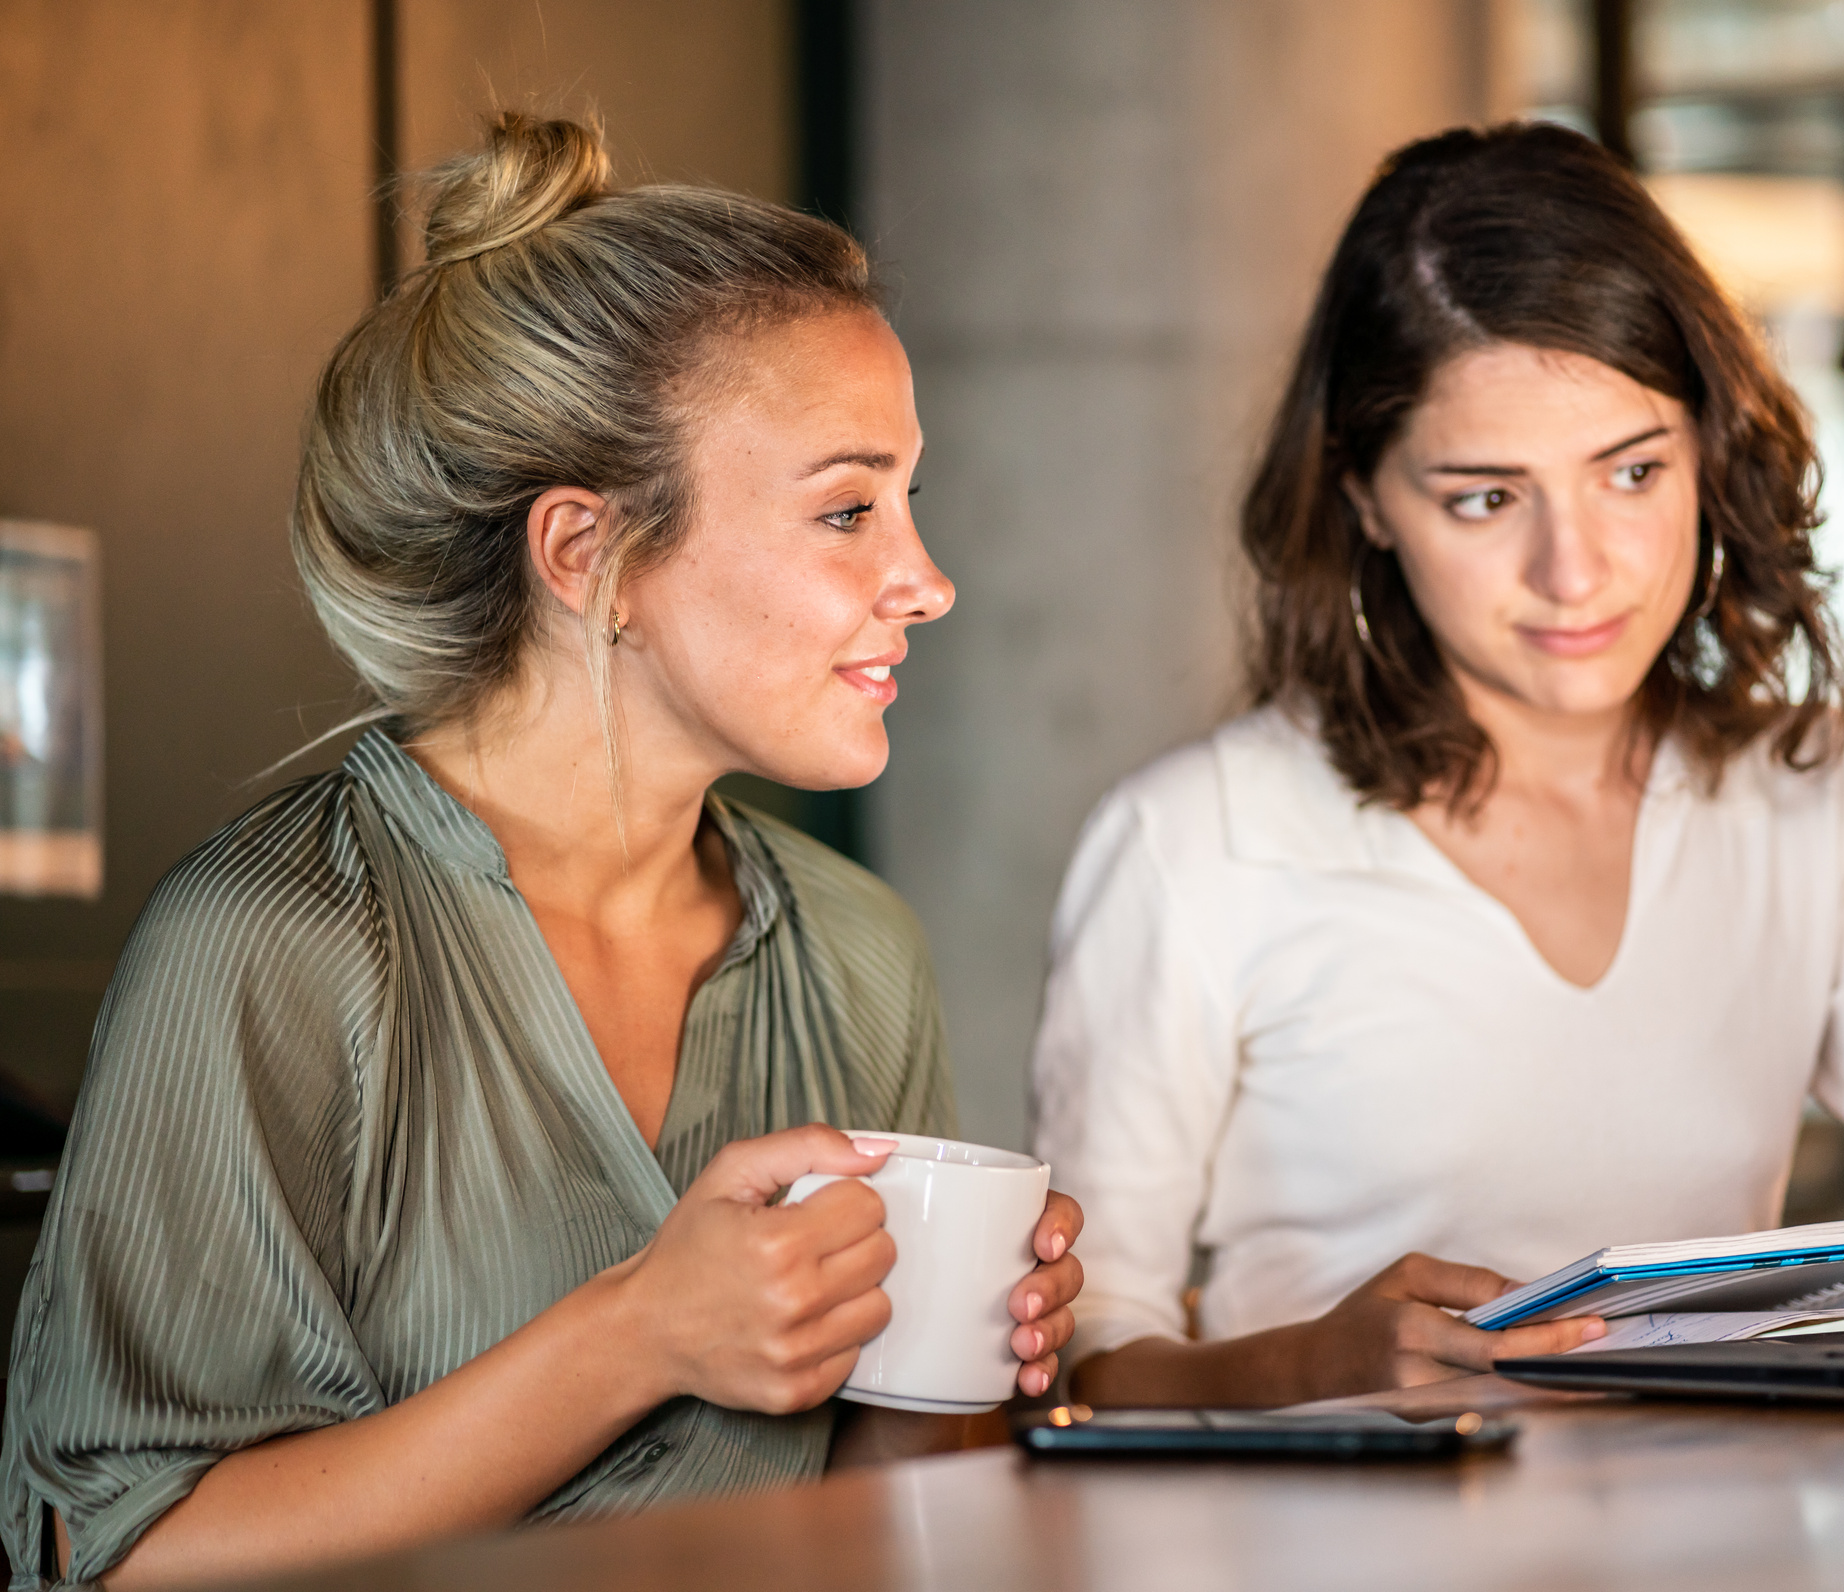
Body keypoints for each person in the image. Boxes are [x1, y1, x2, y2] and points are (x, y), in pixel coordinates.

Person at [2, 114, 1082, 1588]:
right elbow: (118, 1556)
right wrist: (640, 1334)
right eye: (848, 509)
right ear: (588, 557)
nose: (928, 580)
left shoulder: (854, 949)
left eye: (910, 502)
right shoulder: (277, 942)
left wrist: (968, 1360)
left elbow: (869, 1524)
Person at [1030, 122, 1844, 1409]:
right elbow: (1075, 1359)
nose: (1577, 570)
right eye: (1484, 498)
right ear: (1363, 499)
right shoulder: (1195, 839)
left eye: (1630, 472)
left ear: (1708, 449)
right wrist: (1306, 1361)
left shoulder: (1818, 795)